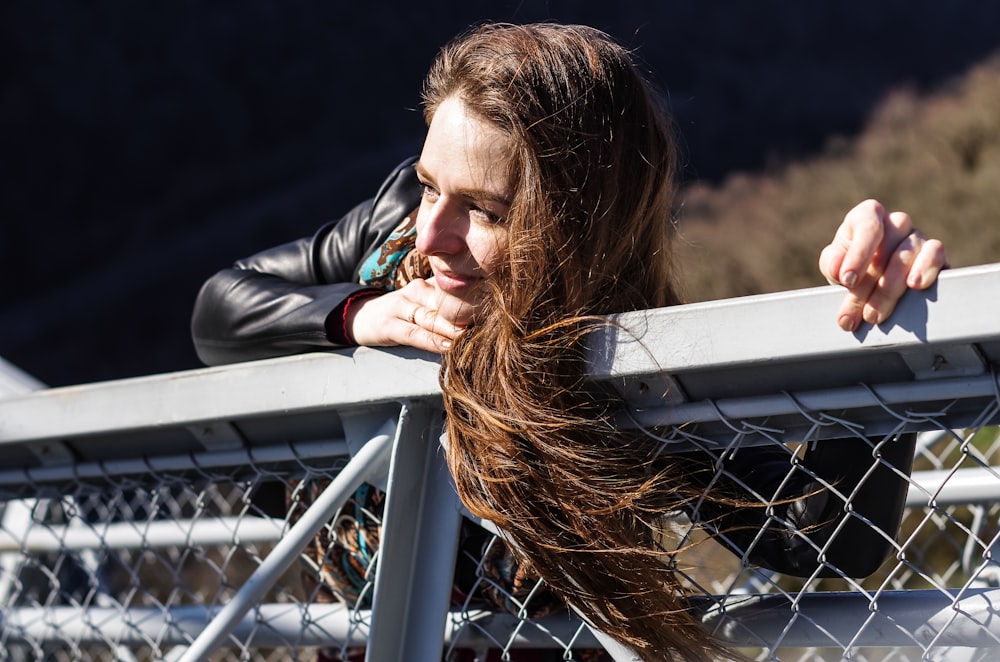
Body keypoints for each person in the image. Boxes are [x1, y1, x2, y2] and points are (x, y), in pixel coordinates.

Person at [191, 22, 948, 662]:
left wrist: (879, 318)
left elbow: (821, 539)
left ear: (578, 226)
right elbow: (221, 310)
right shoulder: (390, 235)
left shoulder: (624, 355)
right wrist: (357, 315)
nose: (430, 234)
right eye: (430, 185)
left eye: (485, 210)